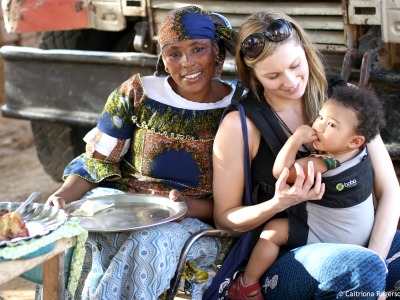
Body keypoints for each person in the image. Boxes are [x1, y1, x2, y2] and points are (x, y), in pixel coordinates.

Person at [46, 5, 239, 299]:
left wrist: (189, 206)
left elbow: (242, 204)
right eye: (174, 53)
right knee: (68, 228)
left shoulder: (239, 111)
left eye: (198, 49)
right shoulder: (138, 94)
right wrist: (62, 197)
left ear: (216, 51)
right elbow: (96, 163)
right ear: (163, 58)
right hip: (124, 207)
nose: (186, 62)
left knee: (148, 242)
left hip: (195, 225)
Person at [213, 10, 400, 300]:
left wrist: (375, 256)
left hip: (358, 246)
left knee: (367, 269)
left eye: (295, 65)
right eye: (273, 75)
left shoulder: (346, 100)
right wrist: (277, 204)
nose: (290, 81)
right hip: (288, 255)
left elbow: (389, 189)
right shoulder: (240, 126)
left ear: (305, 50)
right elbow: (225, 219)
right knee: (360, 271)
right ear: (253, 75)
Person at [228, 85, 386, 299]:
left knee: (273, 231)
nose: (319, 126)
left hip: (330, 236)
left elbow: (281, 171)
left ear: (354, 140)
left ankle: (247, 284)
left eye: (331, 124)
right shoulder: (360, 154)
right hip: (362, 234)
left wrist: (296, 138)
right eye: (321, 116)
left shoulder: (324, 164)